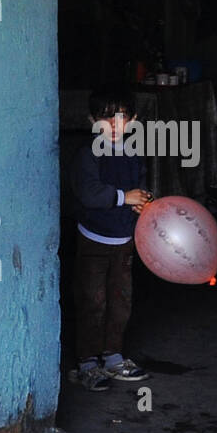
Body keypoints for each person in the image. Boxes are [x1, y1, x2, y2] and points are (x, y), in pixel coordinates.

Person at [69, 88, 152, 391]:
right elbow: (89, 193)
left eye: (122, 117)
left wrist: (143, 201)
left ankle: (113, 357)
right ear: (92, 121)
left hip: (124, 240)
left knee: (120, 301)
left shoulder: (134, 152)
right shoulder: (88, 154)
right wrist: (122, 197)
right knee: (93, 301)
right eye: (106, 118)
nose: (114, 125)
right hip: (94, 239)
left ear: (133, 121)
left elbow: (141, 186)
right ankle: (87, 363)